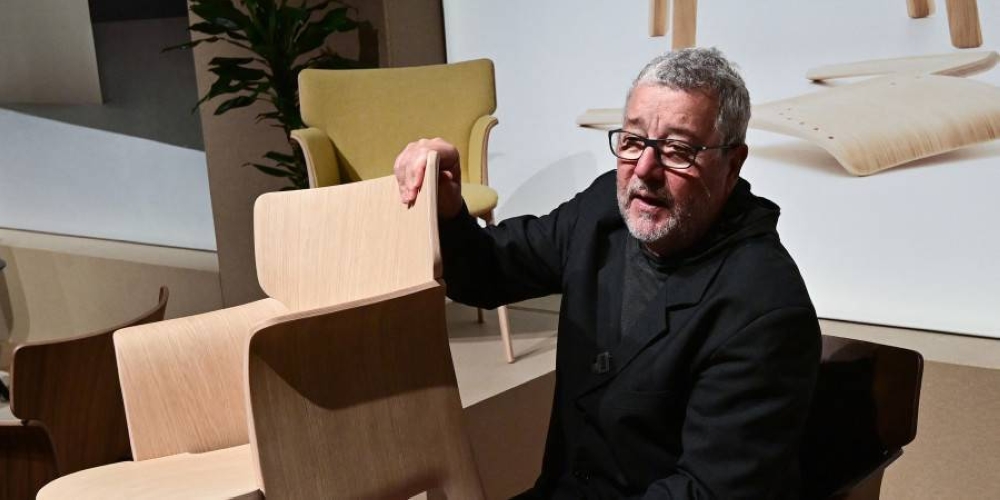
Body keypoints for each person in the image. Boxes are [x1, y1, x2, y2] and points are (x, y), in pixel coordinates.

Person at [394, 47, 821, 499]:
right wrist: (446, 206)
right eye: (633, 141)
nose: (644, 170)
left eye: (676, 150)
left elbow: (706, 491)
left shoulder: (764, 307)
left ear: (732, 164)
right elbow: (487, 271)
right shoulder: (603, 212)